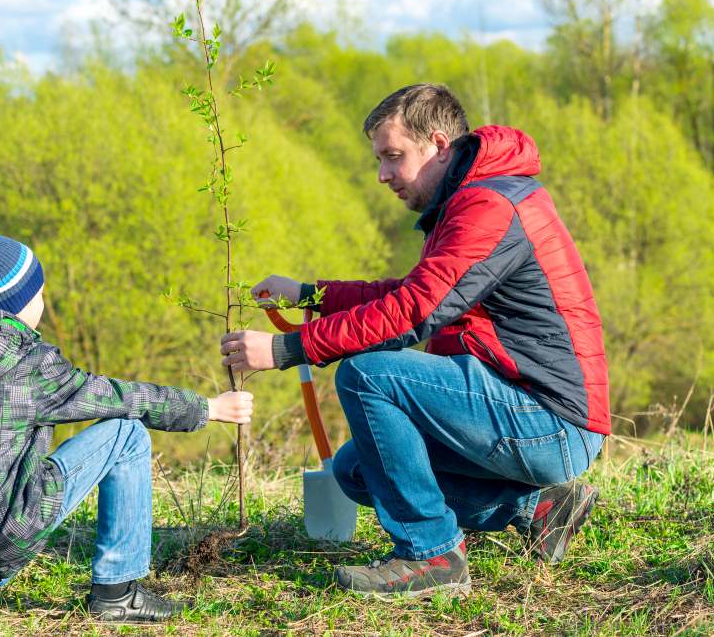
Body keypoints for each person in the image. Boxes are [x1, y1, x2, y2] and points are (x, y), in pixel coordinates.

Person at [220, 83, 609, 598]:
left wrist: (286, 350)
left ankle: (431, 556)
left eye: (393, 156)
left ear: (438, 145)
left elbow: (413, 313)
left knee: (367, 373)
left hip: (551, 420)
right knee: (357, 470)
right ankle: (538, 506)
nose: (383, 174)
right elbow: (414, 292)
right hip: (527, 410)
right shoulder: (473, 199)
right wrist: (314, 294)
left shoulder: (490, 207)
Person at [0, 235, 253, 619]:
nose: (44, 303)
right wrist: (206, 408)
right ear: (16, 303)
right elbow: (119, 397)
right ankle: (117, 591)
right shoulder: (27, 364)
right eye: (40, 293)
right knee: (126, 434)